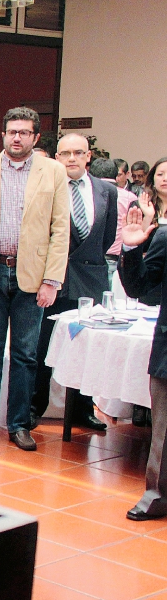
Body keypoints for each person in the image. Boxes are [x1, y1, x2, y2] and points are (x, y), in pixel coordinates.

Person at [0, 106, 71, 452]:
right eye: (11, 132)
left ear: (36, 137)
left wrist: (52, 280)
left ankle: (20, 424)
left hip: (32, 274)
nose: (16, 138)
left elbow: (60, 229)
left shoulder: (54, 172)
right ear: (3, 135)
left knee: (25, 354)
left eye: (24, 132)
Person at [31, 134, 119, 430]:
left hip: (90, 279)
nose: (72, 158)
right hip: (51, 279)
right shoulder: (45, 187)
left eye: (78, 152)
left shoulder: (107, 191)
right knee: (41, 344)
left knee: (86, 347)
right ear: (56, 157)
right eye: (65, 153)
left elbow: (106, 237)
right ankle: (34, 405)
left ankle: (83, 409)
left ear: (88, 156)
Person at [118, 158, 167, 518]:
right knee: (163, 427)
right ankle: (157, 494)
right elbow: (141, 289)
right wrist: (133, 249)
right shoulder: (163, 235)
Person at [93, 157, 139, 281]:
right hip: (119, 258)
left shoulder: (87, 195)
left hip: (91, 259)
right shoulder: (130, 197)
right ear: (116, 176)